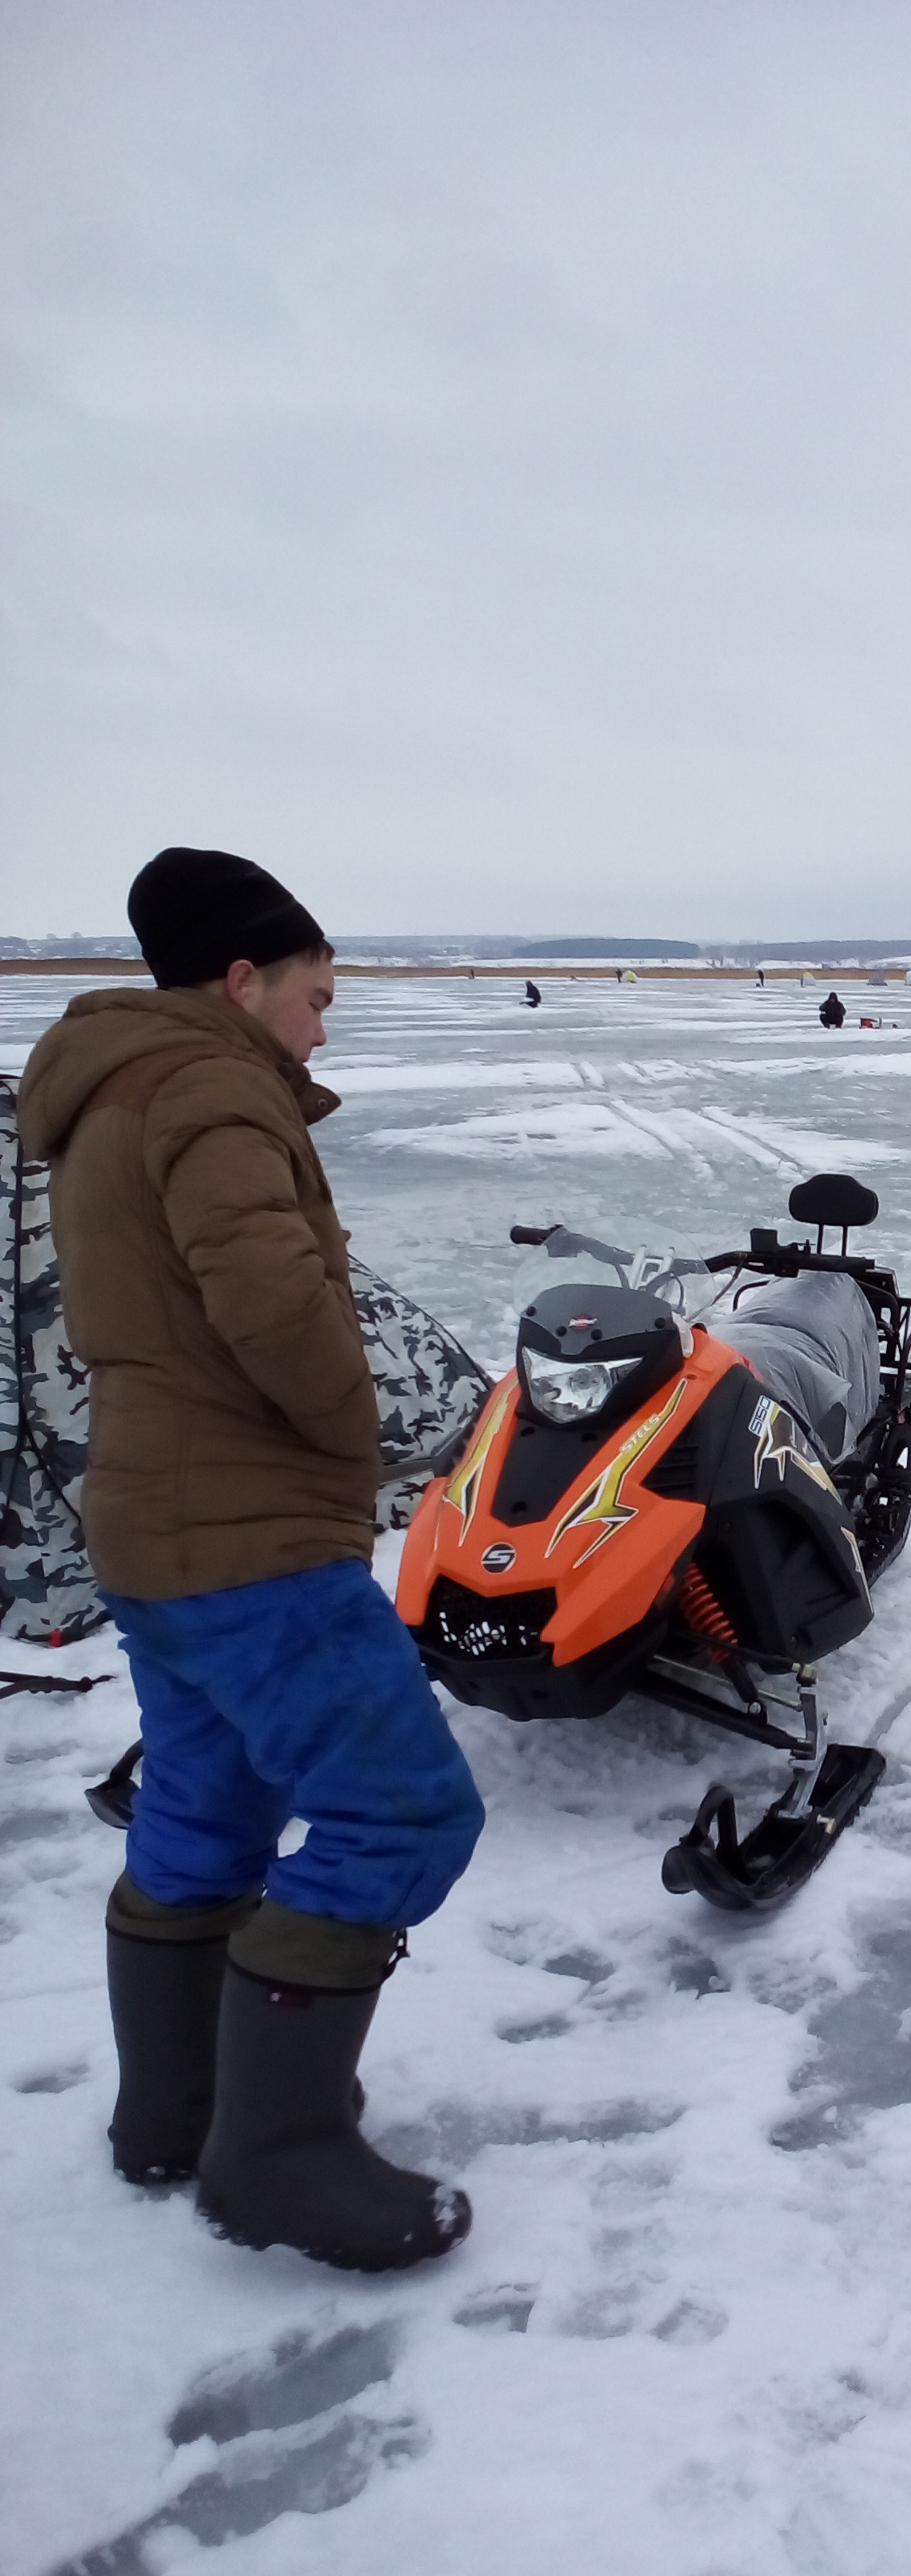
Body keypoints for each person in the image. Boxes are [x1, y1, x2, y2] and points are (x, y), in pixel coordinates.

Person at [18, 848, 485, 2270]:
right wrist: (353, 1438)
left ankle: (181, 2109)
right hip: (251, 1534)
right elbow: (275, 1306)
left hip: (152, 1527)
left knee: (209, 1801)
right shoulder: (213, 1085)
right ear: (243, 980)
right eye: (315, 995)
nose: (323, 1029)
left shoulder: (106, 1090)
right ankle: (276, 2155)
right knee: (404, 1812)